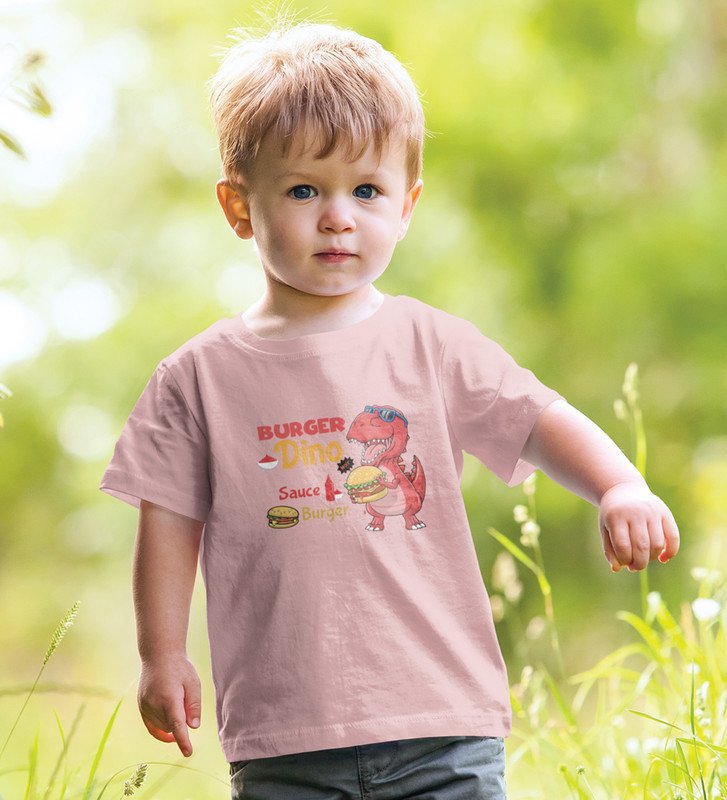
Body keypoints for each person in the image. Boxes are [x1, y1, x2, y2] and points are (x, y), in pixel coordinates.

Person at [99, 18, 680, 800]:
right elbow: (167, 520)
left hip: (442, 725)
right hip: (285, 741)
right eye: (303, 189)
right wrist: (161, 655)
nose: (338, 216)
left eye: (365, 191)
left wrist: (618, 485)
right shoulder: (197, 377)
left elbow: (538, 419)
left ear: (406, 206)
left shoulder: (429, 343)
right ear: (238, 206)